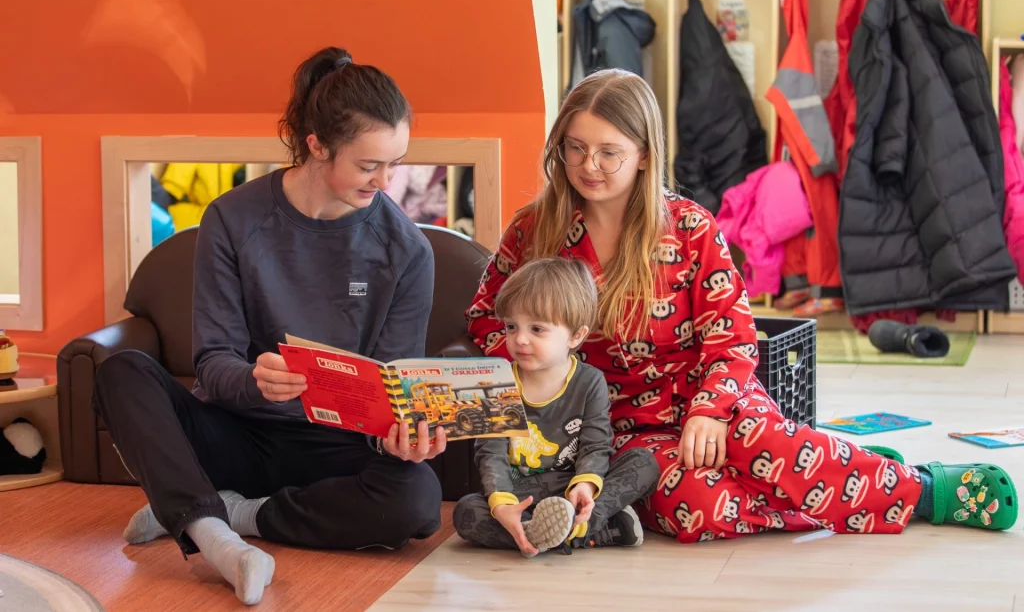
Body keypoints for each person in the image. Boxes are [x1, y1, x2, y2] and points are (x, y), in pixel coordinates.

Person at [465, 68, 1018, 544]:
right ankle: (846, 475)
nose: (589, 165)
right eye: (575, 148)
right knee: (693, 507)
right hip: (612, 427)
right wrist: (536, 378)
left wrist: (708, 410)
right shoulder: (534, 230)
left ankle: (923, 490)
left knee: (762, 444)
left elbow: (732, 336)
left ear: (644, 154)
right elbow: (485, 317)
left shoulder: (689, 228)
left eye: (609, 153)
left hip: (710, 398)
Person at [92, 47, 447, 605]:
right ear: (318, 145)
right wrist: (255, 380)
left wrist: (403, 436)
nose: (385, 181)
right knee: (121, 370)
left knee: (418, 501)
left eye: (395, 163)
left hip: (335, 451)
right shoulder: (232, 219)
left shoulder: (407, 250)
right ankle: (213, 539)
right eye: (368, 165)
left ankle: (226, 512)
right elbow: (214, 361)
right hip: (236, 433)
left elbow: (392, 387)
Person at [453, 257, 659, 556]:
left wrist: (586, 487)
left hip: (572, 487)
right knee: (466, 512)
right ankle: (587, 533)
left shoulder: (590, 381)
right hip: (522, 493)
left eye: (537, 329)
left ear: (576, 335)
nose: (520, 339)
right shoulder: (497, 382)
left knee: (643, 462)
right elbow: (491, 454)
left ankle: (577, 524)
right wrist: (503, 505)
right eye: (511, 326)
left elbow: (596, 446)